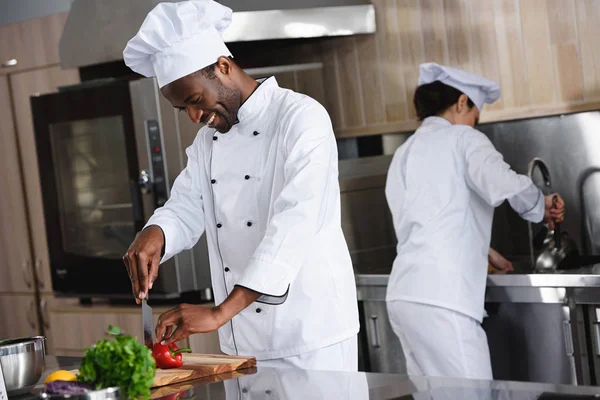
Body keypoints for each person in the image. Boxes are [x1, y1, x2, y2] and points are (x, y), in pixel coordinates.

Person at [121, 0, 359, 371]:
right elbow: (187, 206)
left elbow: (293, 226)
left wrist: (218, 314)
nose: (195, 116)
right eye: (182, 109)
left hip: (309, 338)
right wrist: (156, 232)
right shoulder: (206, 143)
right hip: (241, 342)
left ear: (223, 66)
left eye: (195, 100)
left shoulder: (301, 118)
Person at [384, 63, 566, 380]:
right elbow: (505, 182)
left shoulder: (405, 151)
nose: (473, 125)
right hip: (443, 300)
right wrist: (543, 204)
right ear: (461, 101)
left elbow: (425, 220)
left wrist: (484, 250)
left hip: (404, 298)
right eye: (474, 116)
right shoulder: (463, 139)